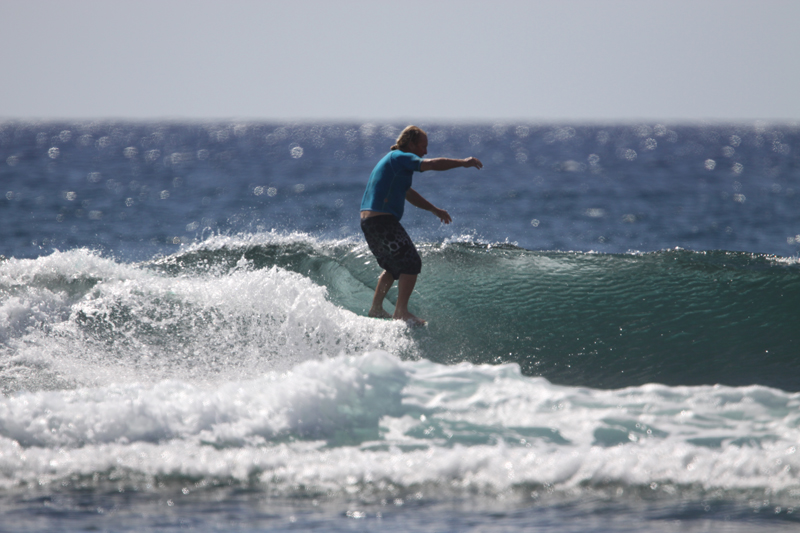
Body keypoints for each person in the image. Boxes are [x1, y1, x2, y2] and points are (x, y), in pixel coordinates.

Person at [360, 125, 483, 325]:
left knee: (393, 266)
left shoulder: (395, 164)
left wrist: (434, 210)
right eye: (422, 146)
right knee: (411, 262)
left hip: (369, 222)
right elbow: (432, 164)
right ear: (411, 144)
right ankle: (401, 311)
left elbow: (408, 193)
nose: (425, 151)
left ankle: (376, 308)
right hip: (382, 221)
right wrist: (463, 162)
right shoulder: (399, 157)